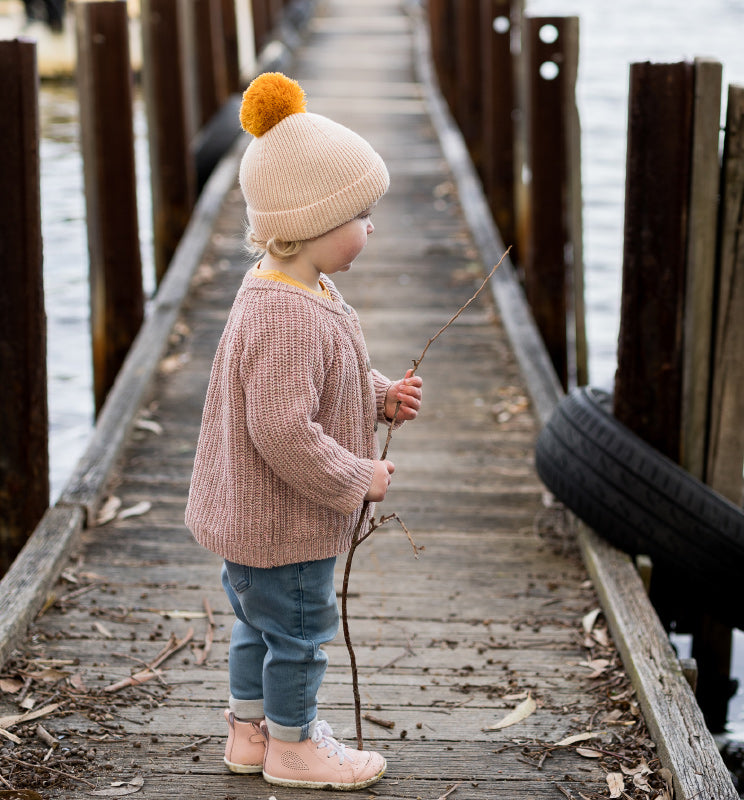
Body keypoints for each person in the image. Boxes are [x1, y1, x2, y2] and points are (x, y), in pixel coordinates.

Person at [185, 72, 423, 791]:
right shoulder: (285, 318)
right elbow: (285, 431)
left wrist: (379, 395)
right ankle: (294, 748)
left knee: (257, 629)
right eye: (360, 214)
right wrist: (360, 478)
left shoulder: (295, 287)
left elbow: (331, 378)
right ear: (309, 223)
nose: (371, 227)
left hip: (256, 524)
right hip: (285, 526)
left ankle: (249, 733)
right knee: (298, 636)